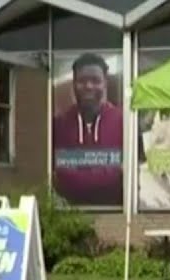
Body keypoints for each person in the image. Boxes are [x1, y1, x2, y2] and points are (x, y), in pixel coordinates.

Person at [52, 53, 123, 205]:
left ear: (105, 83)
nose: (89, 86)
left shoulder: (122, 121)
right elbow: (61, 175)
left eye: (95, 81)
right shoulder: (59, 124)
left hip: (115, 211)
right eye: (82, 81)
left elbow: (125, 173)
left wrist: (77, 173)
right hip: (68, 213)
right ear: (74, 83)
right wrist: (106, 173)